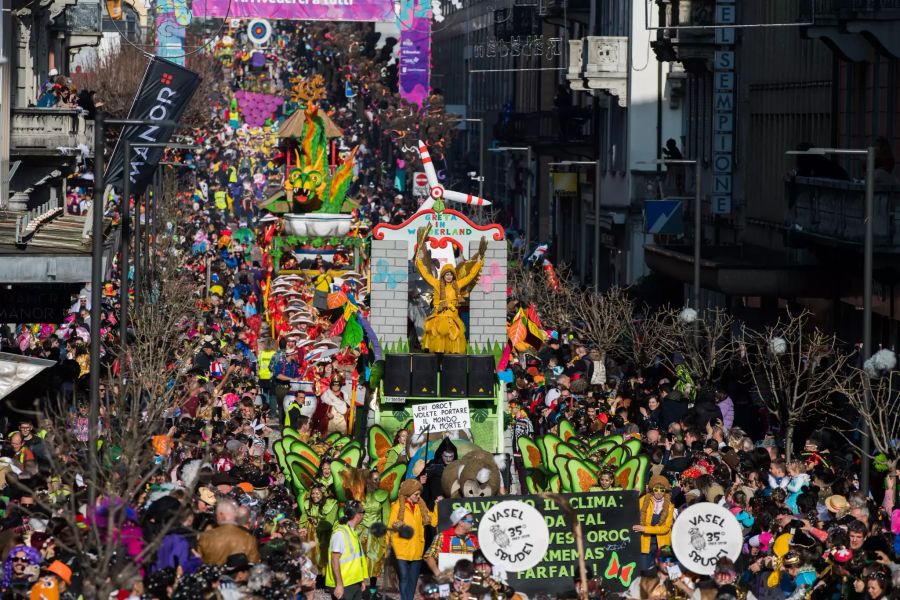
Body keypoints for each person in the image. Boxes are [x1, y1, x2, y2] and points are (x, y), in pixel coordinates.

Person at [414, 225, 486, 353]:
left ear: (453, 276)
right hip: (438, 319)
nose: (448, 276)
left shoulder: (457, 285)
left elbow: (470, 276)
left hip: (452, 320)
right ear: (443, 275)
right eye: (446, 274)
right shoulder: (436, 284)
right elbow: (425, 274)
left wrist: (478, 262)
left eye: (450, 274)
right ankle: (436, 369)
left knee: (452, 349)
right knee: (437, 348)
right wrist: (419, 260)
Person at [389, 479, 433, 600]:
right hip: (401, 550)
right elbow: (390, 529)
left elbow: (433, 520)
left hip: (416, 549)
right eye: (416, 494)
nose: (418, 497)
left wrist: (438, 506)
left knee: (413, 580)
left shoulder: (421, 507)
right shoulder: (397, 507)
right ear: (408, 493)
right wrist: (387, 549)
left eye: (419, 494)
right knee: (404, 578)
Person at [325, 500, 369, 600]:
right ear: (357, 515)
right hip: (344, 584)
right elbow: (334, 560)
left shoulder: (352, 532)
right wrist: (339, 585)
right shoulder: (340, 533)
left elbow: (356, 559)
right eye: (363, 512)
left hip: (354, 582)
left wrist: (360, 580)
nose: (363, 515)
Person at [197, 497, 261, 565]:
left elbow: (198, 561)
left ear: (222, 515)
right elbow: (254, 564)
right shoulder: (249, 539)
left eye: (217, 514)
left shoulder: (206, 536)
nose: (216, 518)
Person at [632, 475, 673, 569]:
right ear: (652, 489)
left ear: (665, 490)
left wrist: (644, 528)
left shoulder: (669, 506)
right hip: (645, 544)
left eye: (662, 490)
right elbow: (630, 510)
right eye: (656, 489)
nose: (659, 492)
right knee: (644, 570)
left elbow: (665, 528)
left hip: (662, 545)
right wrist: (633, 496)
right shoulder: (642, 501)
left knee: (664, 571)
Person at [424, 507, 479, 576]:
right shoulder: (442, 537)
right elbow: (429, 557)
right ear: (461, 523)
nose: (473, 523)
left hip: (468, 580)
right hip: (449, 579)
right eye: (470, 521)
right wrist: (438, 573)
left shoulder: (473, 539)